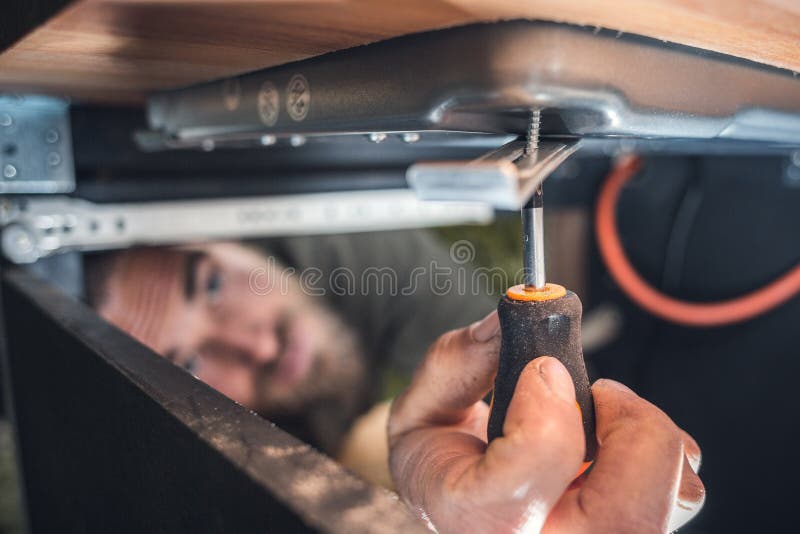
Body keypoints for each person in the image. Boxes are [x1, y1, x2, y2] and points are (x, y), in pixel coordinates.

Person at [83, 229, 704, 532]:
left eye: (212, 285)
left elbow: (478, 410)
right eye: (189, 364)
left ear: (230, 238)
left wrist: (388, 448)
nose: (256, 344)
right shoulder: (191, 475)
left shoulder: (350, 248)